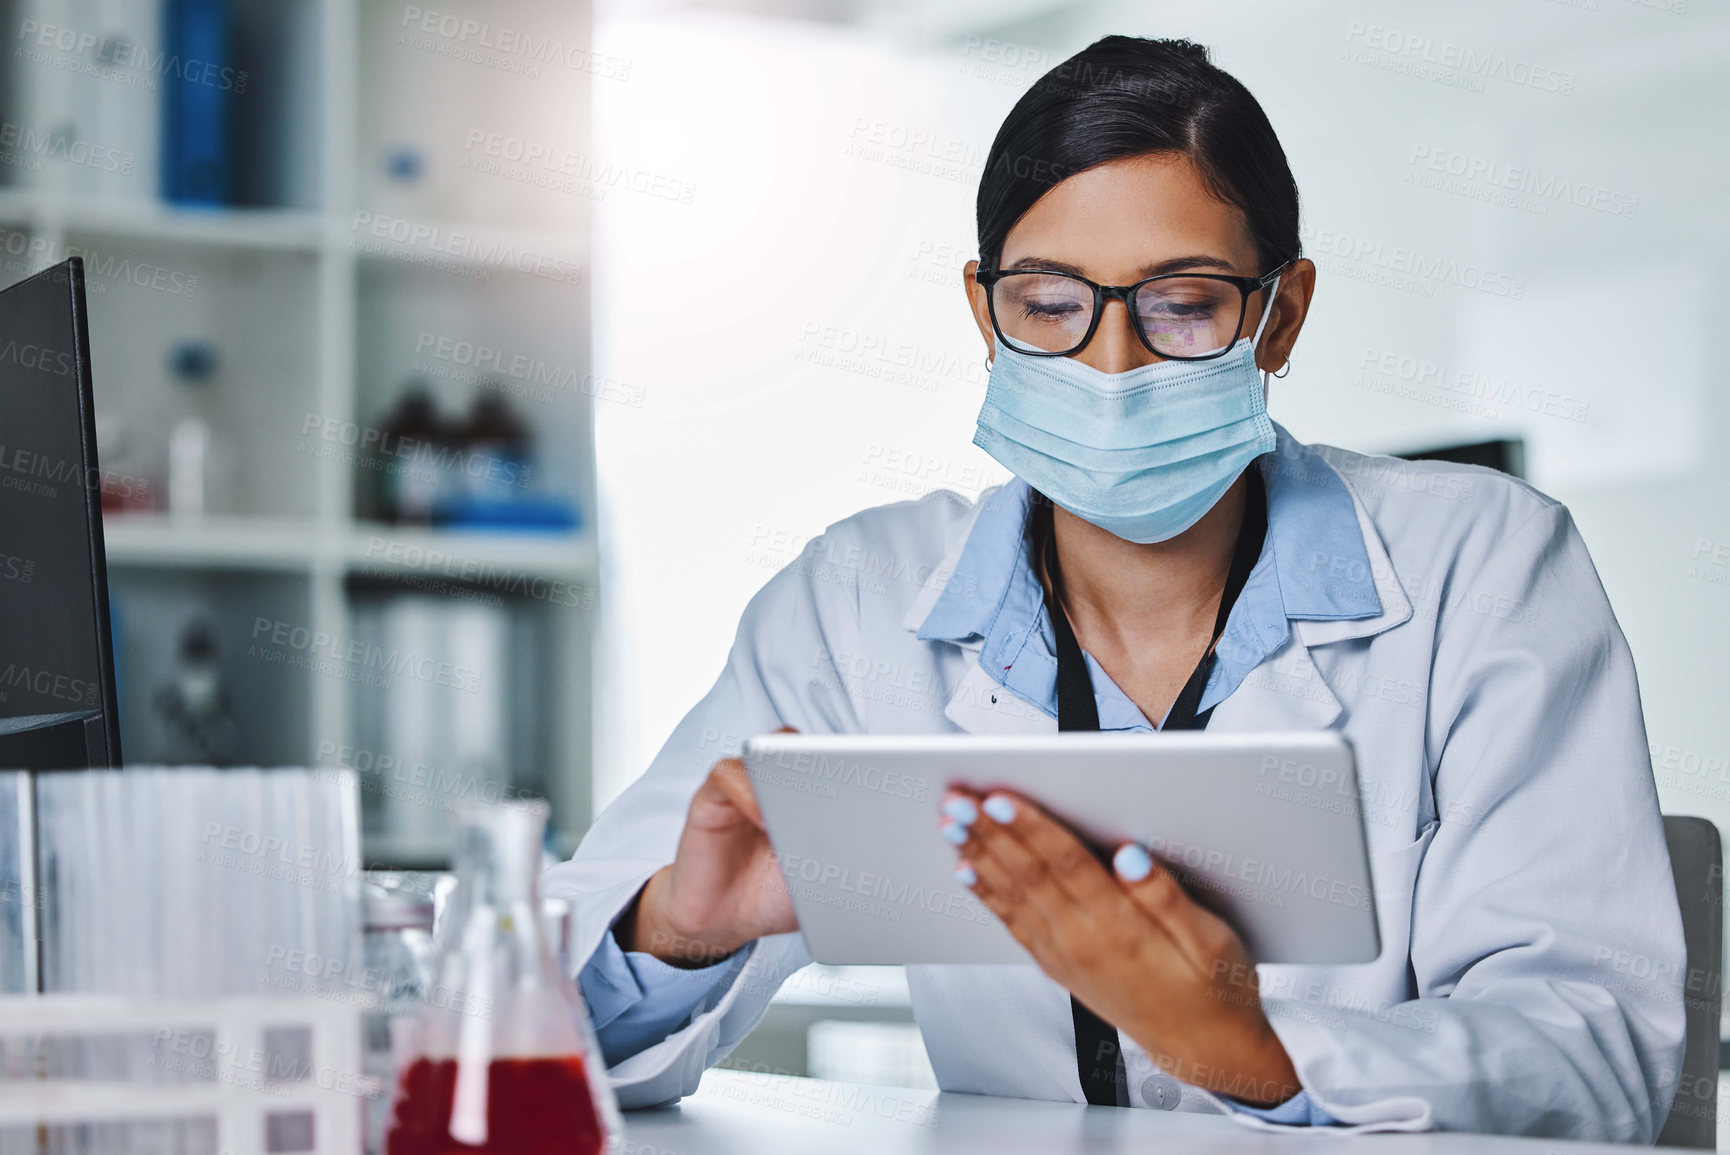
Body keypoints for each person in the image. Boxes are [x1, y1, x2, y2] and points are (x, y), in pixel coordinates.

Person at [543, 35, 1685, 1140]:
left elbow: (1593, 1057)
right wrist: (670, 936)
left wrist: (1243, 1045)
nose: (1110, 366)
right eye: (1047, 305)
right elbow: (526, 1037)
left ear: (1277, 315)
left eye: (1180, 303)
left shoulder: (1478, 565)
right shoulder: (856, 599)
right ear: (983, 313)